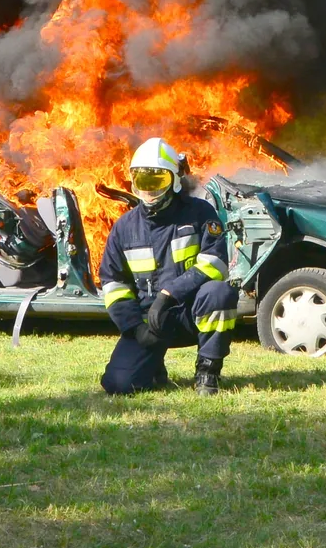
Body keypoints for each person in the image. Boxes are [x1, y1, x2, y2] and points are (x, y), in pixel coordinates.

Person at [96, 137, 238, 397]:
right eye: (143, 182)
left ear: (173, 180)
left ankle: (208, 371)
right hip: (149, 320)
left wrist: (169, 293)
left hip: (190, 312)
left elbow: (216, 263)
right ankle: (153, 368)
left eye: (156, 182)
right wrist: (135, 328)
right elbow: (113, 283)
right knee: (118, 385)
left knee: (219, 293)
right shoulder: (124, 227)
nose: (149, 191)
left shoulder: (200, 213)